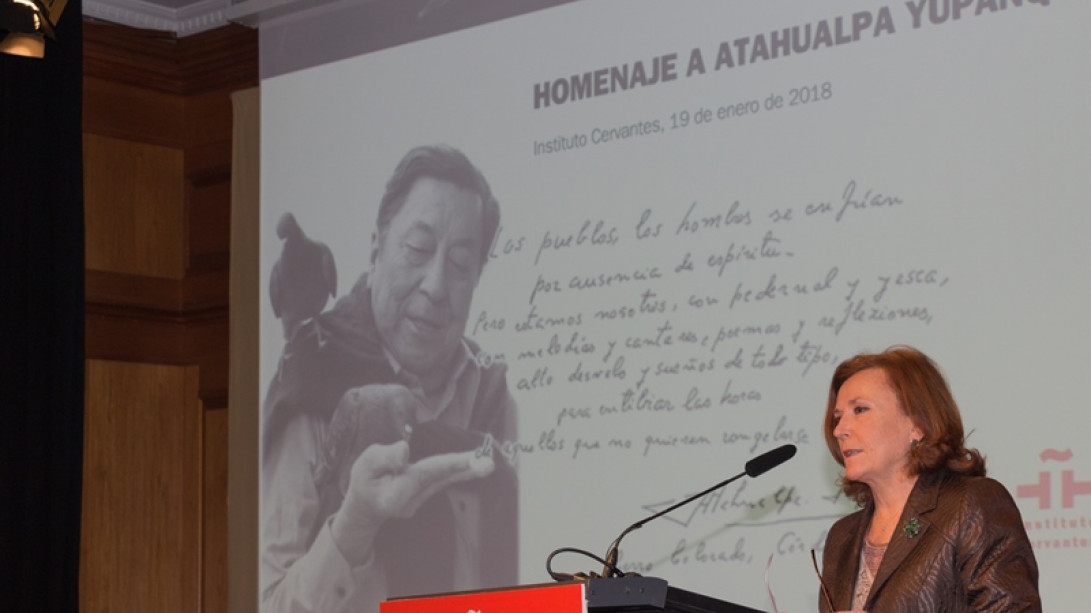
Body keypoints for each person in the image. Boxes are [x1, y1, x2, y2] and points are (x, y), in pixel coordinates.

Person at [260, 145, 518, 613]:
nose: (436, 285)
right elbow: (270, 606)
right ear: (377, 245)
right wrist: (356, 521)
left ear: (478, 275)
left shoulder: (494, 396)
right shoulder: (312, 385)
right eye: (418, 250)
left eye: (460, 264)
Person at [816, 345, 1040, 612]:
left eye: (860, 410)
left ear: (917, 425)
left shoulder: (970, 505)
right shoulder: (842, 538)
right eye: (838, 418)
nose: (840, 430)